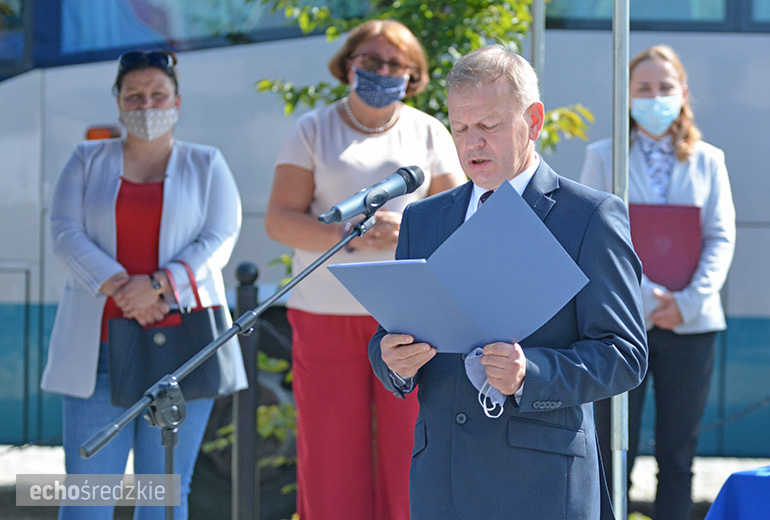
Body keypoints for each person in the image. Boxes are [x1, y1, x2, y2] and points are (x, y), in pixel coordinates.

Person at [368, 44, 648, 519]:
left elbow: (624, 355)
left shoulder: (589, 218)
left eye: (489, 126)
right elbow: (388, 338)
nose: (472, 143)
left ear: (534, 121)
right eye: (460, 128)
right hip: (444, 481)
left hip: (540, 485)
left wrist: (529, 374)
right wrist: (393, 360)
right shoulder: (425, 219)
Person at [264, 19, 465, 520]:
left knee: (410, 451)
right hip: (324, 316)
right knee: (330, 456)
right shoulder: (312, 128)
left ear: (414, 75)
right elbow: (280, 219)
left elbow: (462, 221)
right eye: (370, 61)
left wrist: (408, 229)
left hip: (409, 319)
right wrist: (346, 234)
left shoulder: (429, 132)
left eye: (395, 64)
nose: (382, 71)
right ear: (347, 64)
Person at [41, 50, 247, 520]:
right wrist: (119, 286)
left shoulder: (206, 163)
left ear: (177, 101)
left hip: (180, 348)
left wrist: (156, 285)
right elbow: (64, 232)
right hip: (98, 353)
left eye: (158, 95)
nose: (146, 106)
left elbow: (219, 238)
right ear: (117, 102)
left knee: (164, 493)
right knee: (88, 494)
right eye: (134, 97)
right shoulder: (86, 159)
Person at [580, 44, 736, 520]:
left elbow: (720, 236)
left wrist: (686, 302)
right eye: (643, 88)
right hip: (623, 323)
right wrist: (646, 298)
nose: (654, 96)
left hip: (692, 325)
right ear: (627, 95)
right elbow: (593, 238)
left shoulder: (710, 159)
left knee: (678, 451)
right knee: (612, 448)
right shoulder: (603, 156)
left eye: (664, 87)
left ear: (683, 93)